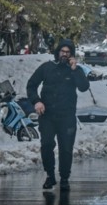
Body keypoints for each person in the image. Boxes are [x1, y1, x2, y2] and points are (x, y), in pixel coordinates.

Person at [27, 39, 90, 191]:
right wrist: (36, 101)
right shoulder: (47, 67)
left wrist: (75, 70)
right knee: (47, 145)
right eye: (62, 51)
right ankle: (50, 175)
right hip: (47, 115)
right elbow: (31, 85)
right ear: (57, 52)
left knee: (66, 148)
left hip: (67, 116)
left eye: (68, 52)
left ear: (72, 55)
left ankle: (64, 178)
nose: (65, 55)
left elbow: (84, 87)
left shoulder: (76, 70)